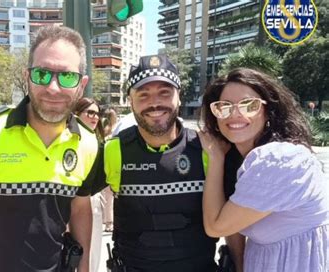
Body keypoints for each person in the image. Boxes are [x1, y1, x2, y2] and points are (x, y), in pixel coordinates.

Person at [0, 25, 100, 272]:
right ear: (27, 77)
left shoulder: (89, 143)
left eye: (67, 77)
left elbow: (80, 207)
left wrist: (85, 266)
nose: (53, 88)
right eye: (42, 74)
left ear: (82, 84)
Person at [93, 54, 219, 271]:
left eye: (164, 92)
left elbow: (232, 222)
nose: (154, 103)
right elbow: (74, 200)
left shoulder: (207, 149)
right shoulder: (113, 150)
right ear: (129, 100)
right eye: (143, 95)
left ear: (179, 97)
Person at [199, 68, 329, 272]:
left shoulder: (279, 159)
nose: (235, 114)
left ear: (269, 111)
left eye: (249, 105)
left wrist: (215, 158)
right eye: (223, 107)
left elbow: (216, 226)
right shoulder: (246, 162)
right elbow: (234, 226)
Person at [73, 97, 104, 272]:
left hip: (91, 202)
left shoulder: (99, 142)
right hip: (71, 204)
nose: (95, 117)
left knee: (91, 256)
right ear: (76, 113)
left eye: (98, 114)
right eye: (90, 112)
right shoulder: (68, 141)